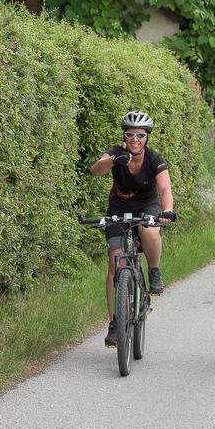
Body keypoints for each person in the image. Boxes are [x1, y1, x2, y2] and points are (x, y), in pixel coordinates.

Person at [89, 111, 175, 348]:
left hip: (148, 205)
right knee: (115, 262)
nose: (135, 140)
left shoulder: (154, 159)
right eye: (130, 135)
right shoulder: (116, 153)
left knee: (149, 230)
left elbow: (165, 190)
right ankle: (115, 323)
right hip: (118, 206)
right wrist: (110, 162)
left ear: (147, 137)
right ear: (124, 136)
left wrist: (166, 211)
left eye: (140, 135)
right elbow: (96, 170)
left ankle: (154, 271)